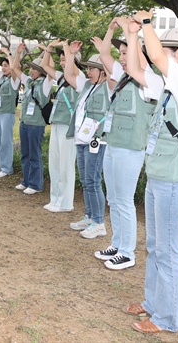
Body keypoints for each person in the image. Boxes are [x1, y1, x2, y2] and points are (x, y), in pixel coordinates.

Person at [126, 9, 178, 334]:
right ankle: (153, 304)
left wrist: (147, 23)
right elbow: (135, 68)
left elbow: (156, 57)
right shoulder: (168, 85)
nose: (161, 54)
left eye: (168, 49)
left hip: (175, 182)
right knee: (154, 247)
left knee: (168, 252)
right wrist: (133, 34)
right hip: (158, 178)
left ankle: (168, 319)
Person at [95, 17, 164, 270]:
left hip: (130, 149)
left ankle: (127, 252)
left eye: (126, 53)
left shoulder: (149, 81)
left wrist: (131, 32)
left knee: (124, 199)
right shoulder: (123, 78)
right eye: (121, 53)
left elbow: (141, 64)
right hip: (112, 145)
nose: (121, 58)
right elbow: (103, 53)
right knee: (113, 198)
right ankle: (117, 242)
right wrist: (112, 28)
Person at [62, 40, 114, 238]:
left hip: (97, 141)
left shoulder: (108, 88)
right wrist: (70, 55)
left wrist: (104, 52)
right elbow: (68, 75)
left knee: (93, 180)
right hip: (81, 140)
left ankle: (99, 222)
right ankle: (90, 216)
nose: (89, 71)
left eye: (93, 68)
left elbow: (113, 73)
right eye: (89, 68)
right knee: (85, 181)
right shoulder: (86, 86)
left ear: (102, 71)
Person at [40, 39, 84, 212]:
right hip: (57, 122)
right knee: (55, 163)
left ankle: (66, 203)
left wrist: (67, 49)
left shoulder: (79, 78)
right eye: (62, 60)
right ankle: (55, 199)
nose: (62, 62)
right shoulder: (61, 78)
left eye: (65, 59)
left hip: (69, 126)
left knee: (66, 165)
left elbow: (71, 70)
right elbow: (45, 67)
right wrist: (49, 50)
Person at [12, 44, 55, 194]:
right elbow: (15, 69)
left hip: (36, 125)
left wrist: (47, 51)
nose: (31, 71)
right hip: (24, 123)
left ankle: (36, 184)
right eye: (30, 68)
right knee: (25, 154)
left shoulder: (46, 83)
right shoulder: (29, 82)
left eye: (34, 68)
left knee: (34, 154)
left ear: (41, 70)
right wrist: (18, 54)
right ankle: (27, 180)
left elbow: (52, 68)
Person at [0, 48, 19, 177]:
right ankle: (0, 165)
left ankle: (7, 168)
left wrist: (8, 54)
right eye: (2, 66)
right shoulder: (1, 78)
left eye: (6, 65)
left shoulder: (14, 80)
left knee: (6, 141)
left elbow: (14, 68)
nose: (3, 68)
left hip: (8, 113)